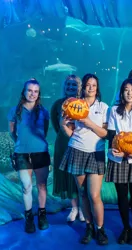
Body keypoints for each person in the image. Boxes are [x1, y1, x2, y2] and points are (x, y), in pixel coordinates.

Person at [59, 73, 109, 245]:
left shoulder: (104, 108)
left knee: (94, 194)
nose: (90, 88)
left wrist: (89, 123)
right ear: (83, 87)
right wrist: (63, 124)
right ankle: (89, 227)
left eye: (94, 85)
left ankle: (100, 229)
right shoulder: (74, 105)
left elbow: (105, 133)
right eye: (88, 84)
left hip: (96, 153)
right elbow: (70, 133)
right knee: (83, 194)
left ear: (97, 88)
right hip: (77, 150)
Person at [106, 78, 132, 245]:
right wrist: (111, 148)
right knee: (122, 196)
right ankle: (125, 227)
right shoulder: (114, 110)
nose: (129, 92)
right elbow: (111, 133)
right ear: (122, 92)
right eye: (126, 89)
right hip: (117, 158)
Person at [8, 78, 51, 233]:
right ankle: (29, 218)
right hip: (21, 154)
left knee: (41, 185)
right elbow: (12, 132)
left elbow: (44, 132)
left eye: (35, 91)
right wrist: (22, 144)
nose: (32, 94)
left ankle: (42, 215)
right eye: (29, 90)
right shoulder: (14, 111)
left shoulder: (44, 112)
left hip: (41, 152)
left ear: (38, 94)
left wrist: (35, 144)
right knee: (26, 186)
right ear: (24, 92)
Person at [51, 75, 85, 222]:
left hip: (79, 143)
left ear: (79, 87)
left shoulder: (83, 103)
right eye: (68, 85)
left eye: (74, 85)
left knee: (80, 177)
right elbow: (55, 124)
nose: (71, 88)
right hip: (63, 144)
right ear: (64, 87)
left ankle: (84, 208)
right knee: (67, 176)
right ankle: (74, 207)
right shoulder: (57, 104)